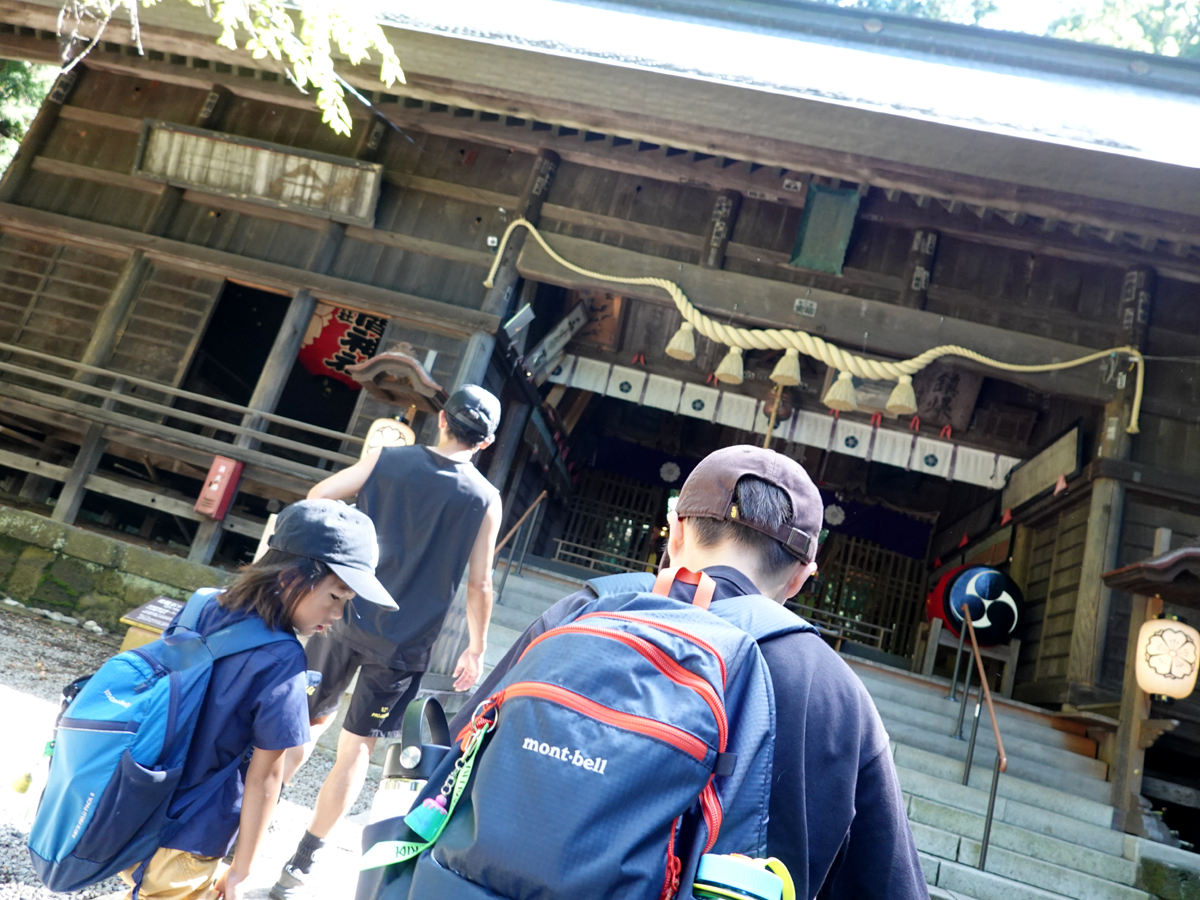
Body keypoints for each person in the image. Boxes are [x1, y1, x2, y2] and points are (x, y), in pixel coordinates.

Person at [450, 445, 927, 899]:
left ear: (675, 530)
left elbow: (451, 761)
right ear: (802, 576)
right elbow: (888, 883)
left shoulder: (583, 610)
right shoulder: (834, 690)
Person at [272, 386, 503, 899]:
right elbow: (480, 583)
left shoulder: (387, 459)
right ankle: (301, 863)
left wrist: (346, 544)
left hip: (343, 612)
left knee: (305, 722)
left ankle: (257, 813)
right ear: (485, 443)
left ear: (441, 420)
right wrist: (476, 646)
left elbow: (319, 495)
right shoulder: (486, 499)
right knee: (356, 750)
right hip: (404, 642)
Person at [123, 499, 397, 900]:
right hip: (194, 833)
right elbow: (267, 774)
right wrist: (242, 868)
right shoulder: (284, 660)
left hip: (135, 803)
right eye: (336, 596)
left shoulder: (202, 604)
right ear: (292, 576)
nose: (339, 614)